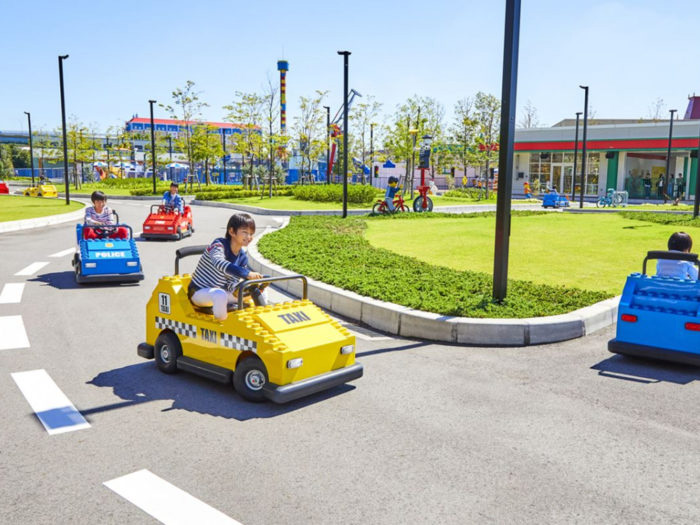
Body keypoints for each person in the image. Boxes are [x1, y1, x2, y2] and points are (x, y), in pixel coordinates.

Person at [188, 213, 264, 321]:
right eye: (245, 232)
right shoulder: (218, 245)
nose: (249, 237)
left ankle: (261, 321)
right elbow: (219, 263)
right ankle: (223, 326)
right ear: (232, 231)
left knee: (258, 292)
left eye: (251, 233)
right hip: (199, 292)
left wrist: (247, 289)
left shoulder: (242, 257)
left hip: (221, 291)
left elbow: (230, 284)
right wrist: (247, 274)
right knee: (220, 295)